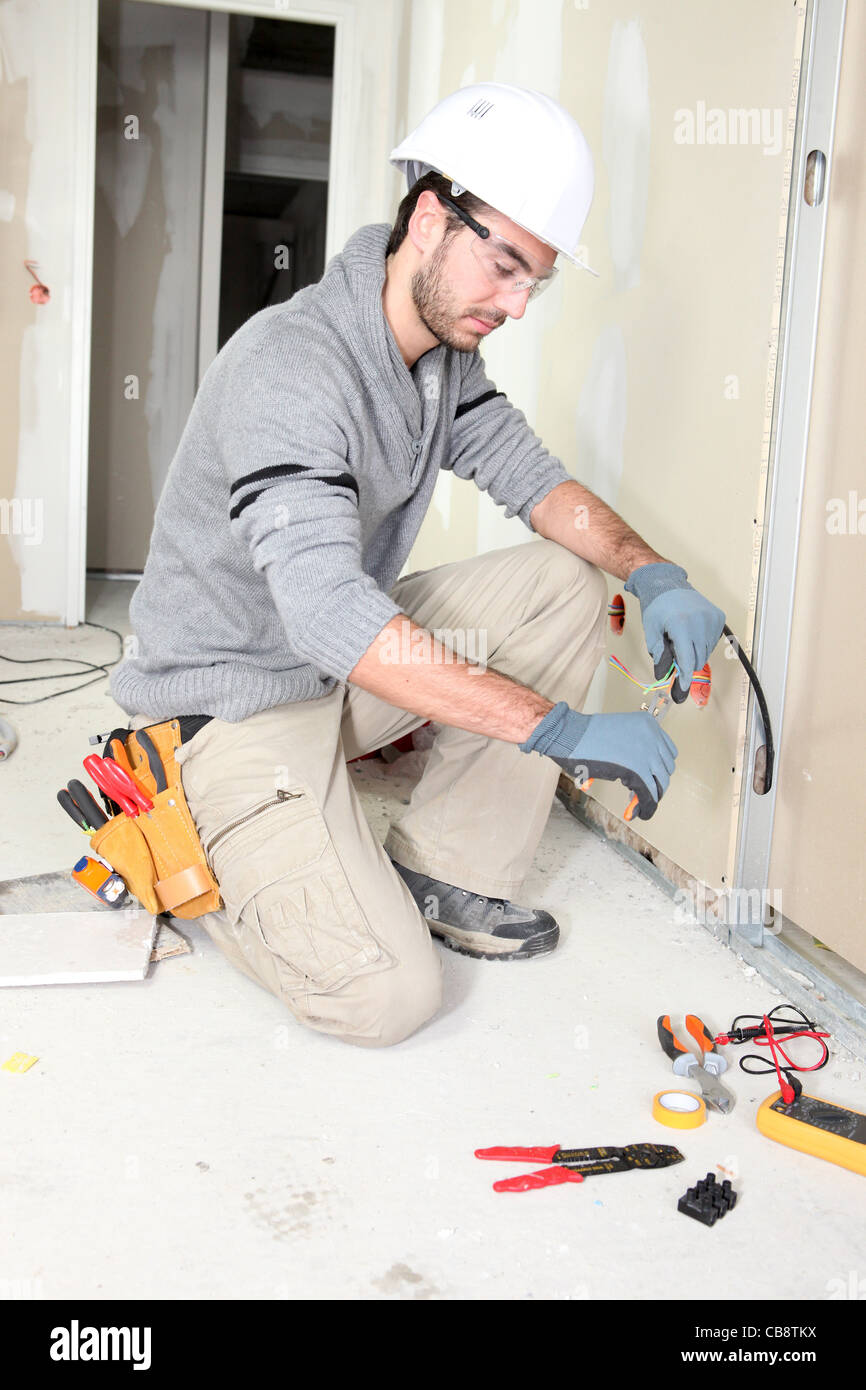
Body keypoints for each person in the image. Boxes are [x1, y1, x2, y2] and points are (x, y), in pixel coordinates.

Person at [111, 83, 725, 1047]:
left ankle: (448, 871)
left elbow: (535, 482)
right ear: (431, 219)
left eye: (538, 281)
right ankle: (199, 853)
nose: (517, 305)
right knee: (386, 999)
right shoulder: (292, 367)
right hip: (227, 711)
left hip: (329, 675)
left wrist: (655, 573)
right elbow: (326, 615)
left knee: (566, 579)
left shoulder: (438, 361)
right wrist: (553, 728)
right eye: (507, 266)